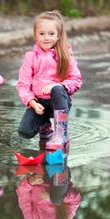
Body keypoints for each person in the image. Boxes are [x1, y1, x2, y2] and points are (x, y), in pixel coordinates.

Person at [16, 10, 82, 151]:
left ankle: (61, 134)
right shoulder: (30, 57)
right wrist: (32, 103)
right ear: (35, 35)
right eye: (42, 34)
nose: (46, 38)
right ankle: (45, 127)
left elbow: (76, 80)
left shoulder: (65, 56)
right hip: (39, 104)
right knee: (24, 131)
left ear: (58, 35)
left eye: (51, 34)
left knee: (57, 90)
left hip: (59, 101)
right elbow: (23, 85)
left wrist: (57, 85)